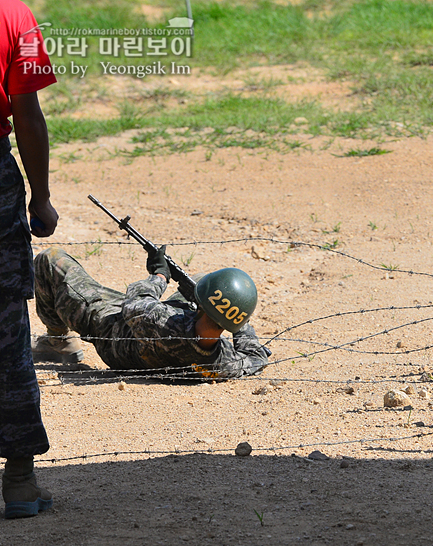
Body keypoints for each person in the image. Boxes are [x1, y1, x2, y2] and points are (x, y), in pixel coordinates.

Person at [32, 246, 272, 380]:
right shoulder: (224, 362)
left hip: (113, 330)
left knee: (50, 260)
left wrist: (159, 275)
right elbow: (256, 357)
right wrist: (236, 315)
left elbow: (134, 302)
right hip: (153, 350)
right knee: (198, 281)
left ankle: (58, 341)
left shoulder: (161, 321)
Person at [0, 0, 58, 519]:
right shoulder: (13, 15)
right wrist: (39, 197)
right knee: (7, 329)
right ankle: (18, 479)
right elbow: (27, 112)